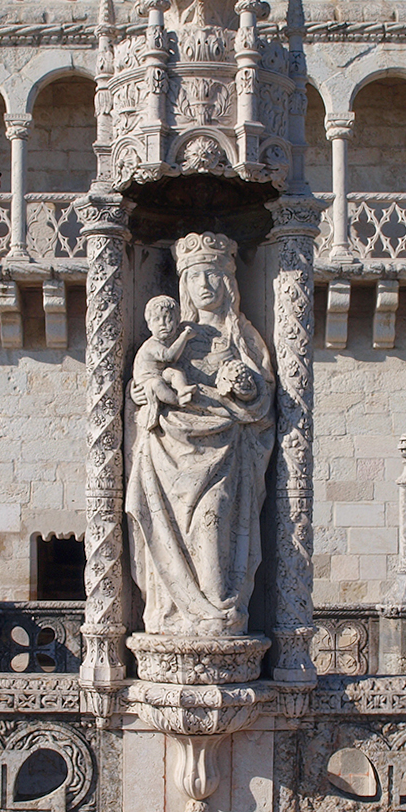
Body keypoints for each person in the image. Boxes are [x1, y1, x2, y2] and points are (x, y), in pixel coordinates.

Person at [126, 232, 275, 637]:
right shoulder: (172, 336)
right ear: (184, 285)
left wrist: (244, 387)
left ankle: (219, 609)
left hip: (226, 452)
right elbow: (147, 377)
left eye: (212, 276)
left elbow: (263, 403)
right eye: (195, 278)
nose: (204, 285)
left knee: (213, 523)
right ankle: (174, 611)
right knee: (173, 529)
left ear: (227, 283)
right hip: (171, 453)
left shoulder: (241, 335)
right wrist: (139, 393)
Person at [132, 295, 196, 433]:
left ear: (177, 322)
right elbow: (170, 356)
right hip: (147, 380)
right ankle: (177, 400)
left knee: (175, 372)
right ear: (149, 325)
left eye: (169, 319)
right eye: (157, 319)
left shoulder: (168, 341)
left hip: (161, 375)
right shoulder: (152, 345)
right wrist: (184, 337)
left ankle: (183, 389)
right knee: (156, 384)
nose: (163, 324)